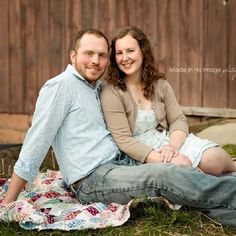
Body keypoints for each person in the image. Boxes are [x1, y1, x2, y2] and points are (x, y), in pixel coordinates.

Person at [2, 28, 236, 230]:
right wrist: (9, 201)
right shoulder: (60, 87)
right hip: (94, 179)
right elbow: (35, 145)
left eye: (102, 55)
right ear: (73, 55)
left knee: (183, 165)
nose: (95, 60)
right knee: (166, 175)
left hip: (120, 162)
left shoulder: (96, 86)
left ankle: (227, 211)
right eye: (88, 54)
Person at [101, 25, 236, 176]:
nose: (124, 58)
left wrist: (172, 147)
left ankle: (233, 166)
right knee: (184, 167)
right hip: (140, 153)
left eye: (130, 51)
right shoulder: (111, 91)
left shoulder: (159, 84)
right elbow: (124, 140)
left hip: (166, 142)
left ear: (143, 51)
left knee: (214, 159)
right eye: (119, 53)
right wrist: (162, 158)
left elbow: (178, 120)